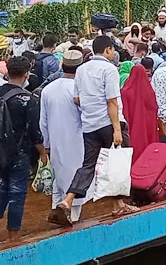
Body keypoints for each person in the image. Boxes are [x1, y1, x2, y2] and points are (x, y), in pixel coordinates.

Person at [53, 36, 137, 226]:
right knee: (117, 163)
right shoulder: (109, 69)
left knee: (87, 166)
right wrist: (117, 128)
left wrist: (91, 105)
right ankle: (118, 205)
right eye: (112, 50)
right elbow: (112, 101)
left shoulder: (81, 69)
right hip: (108, 122)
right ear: (107, 50)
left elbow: (77, 99)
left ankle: (68, 200)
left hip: (89, 125)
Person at [0, 57, 48, 240]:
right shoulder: (29, 100)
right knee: (17, 191)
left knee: (3, 186)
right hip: (19, 152)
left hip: (0, 150)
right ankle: (13, 236)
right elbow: (34, 132)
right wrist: (43, 153)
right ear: (27, 74)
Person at [41, 50, 88, 225]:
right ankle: (71, 216)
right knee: (75, 178)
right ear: (80, 67)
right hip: (77, 141)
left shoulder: (48, 89)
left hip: (55, 140)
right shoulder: (79, 89)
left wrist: (46, 144)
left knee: (59, 177)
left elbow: (43, 121)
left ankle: (57, 208)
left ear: (62, 65)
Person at [122, 64, 160, 164]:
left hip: (132, 125)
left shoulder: (125, 91)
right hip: (147, 126)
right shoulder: (149, 91)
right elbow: (155, 108)